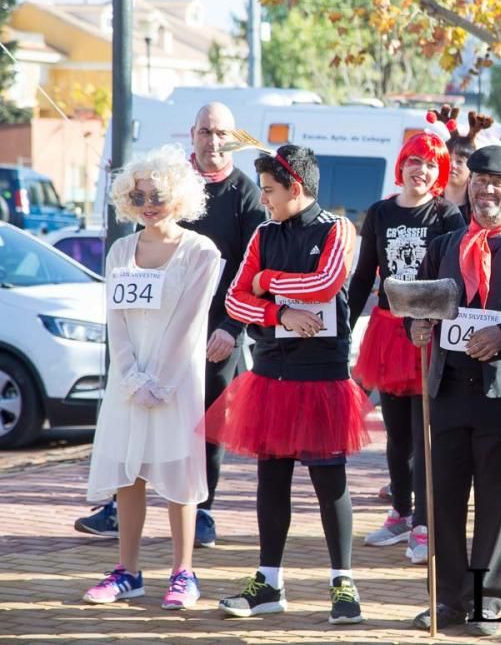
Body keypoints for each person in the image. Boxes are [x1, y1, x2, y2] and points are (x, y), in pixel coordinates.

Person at [74, 102, 266, 548]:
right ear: (191, 133)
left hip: (215, 329)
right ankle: (120, 508)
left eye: (221, 133)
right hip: (149, 329)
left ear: (234, 138)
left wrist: (231, 329)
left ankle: (200, 510)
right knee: (134, 416)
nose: (212, 141)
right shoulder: (164, 184)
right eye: (204, 132)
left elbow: (253, 267)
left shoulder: (246, 194)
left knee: (204, 425)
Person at [207, 145, 370, 624]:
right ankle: (269, 582)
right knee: (270, 481)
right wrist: (278, 310)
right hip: (271, 373)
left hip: (322, 375)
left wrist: (266, 280)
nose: (265, 200)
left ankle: (343, 583)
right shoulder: (262, 232)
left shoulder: (339, 229)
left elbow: (324, 283)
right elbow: (235, 301)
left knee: (329, 483)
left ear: (295, 187)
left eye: (271, 191)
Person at [407, 145, 501, 636]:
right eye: (479, 179)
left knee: (497, 500)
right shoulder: (444, 244)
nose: (486, 189)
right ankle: (447, 599)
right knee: (442, 497)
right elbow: (420, 307)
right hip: (446, 387)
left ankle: (489, 599)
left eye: (498, 182)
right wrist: (418, 328)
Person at [83, 144, 222, 610]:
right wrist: (130, 377)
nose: (148, 205)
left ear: (179, 195)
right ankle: (128, 571)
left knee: (179, 475)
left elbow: (189, 320)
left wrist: (158, 379)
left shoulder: (201, 251)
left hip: (176, 381)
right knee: (129, 473)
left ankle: (184, 572)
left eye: (156, 195)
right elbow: (115, 319)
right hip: (128, 384)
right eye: (138, 197)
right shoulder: (122, 249)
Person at [348, 130, 465, 566]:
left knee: (424, 432)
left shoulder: (447, 215)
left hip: (429, 335)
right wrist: (343, 323)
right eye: (415, 161)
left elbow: (456, 278)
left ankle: (423, 522)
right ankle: (399, 510)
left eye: (432, 165)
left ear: (441, 173)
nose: (422, 171)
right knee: (397, 435)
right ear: (402, 165)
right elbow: (363, 276)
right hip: (386, 330)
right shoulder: (379, 213)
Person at [435, 106, 494, 224]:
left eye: (460, 161)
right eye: (448, 159)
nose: (452, 165)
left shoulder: (480, 210)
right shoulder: (429, 207)